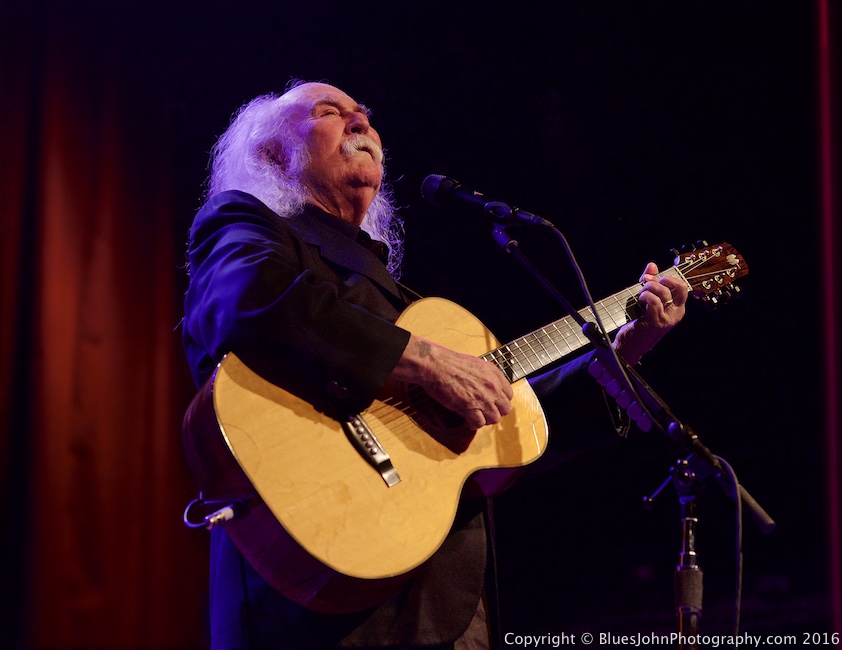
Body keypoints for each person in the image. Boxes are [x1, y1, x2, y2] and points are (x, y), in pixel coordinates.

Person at [181, 80, 688, 649]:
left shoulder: (392, 292)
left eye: (365, 116)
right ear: (274, 154)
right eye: (331, 113)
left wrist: (623, 353)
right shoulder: (244, 226)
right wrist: (425, 361)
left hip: (444, 602)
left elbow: (507, 429)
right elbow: (252, 300)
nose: (360, 123)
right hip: (314, 607)